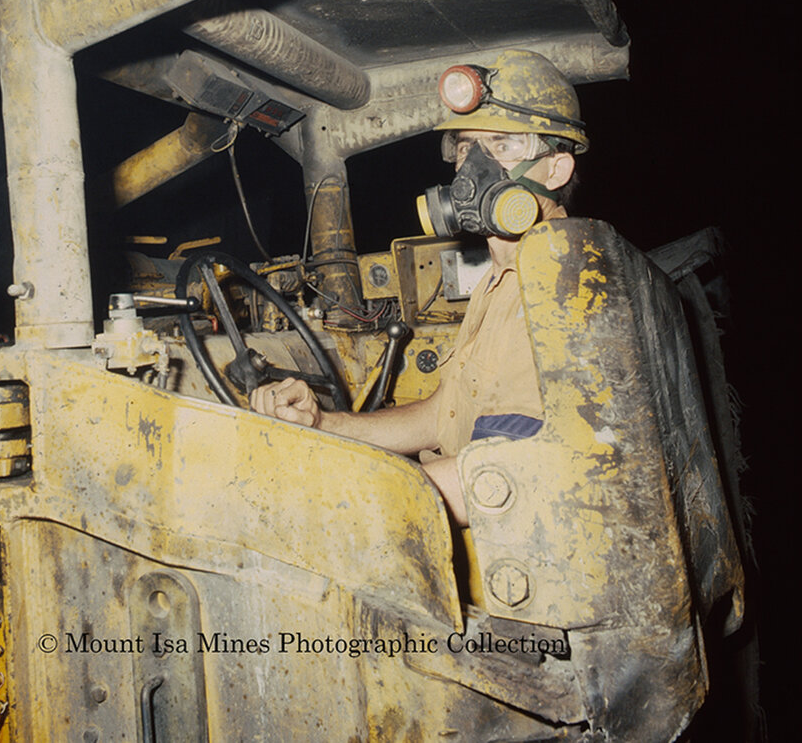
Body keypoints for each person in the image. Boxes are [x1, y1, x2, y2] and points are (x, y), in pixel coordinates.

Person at [250, 49, 588, 526]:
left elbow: (506, 473)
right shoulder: (500, 280)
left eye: (504, 146)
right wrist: (324, 426)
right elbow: (441, 417)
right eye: (469, 148)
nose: (476, 168)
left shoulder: (560, 285)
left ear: (556, 170)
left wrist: (338, 498)